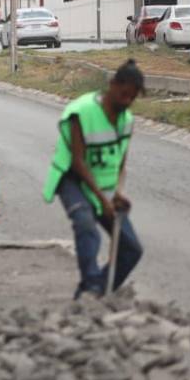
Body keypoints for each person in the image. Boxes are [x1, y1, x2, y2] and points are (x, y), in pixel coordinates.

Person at [43, 59, 144, 299]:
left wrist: (118, 193)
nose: (126, 101)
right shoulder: (83, 111)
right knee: (87, 227)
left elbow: (121, 164)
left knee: (131, 249)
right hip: (73, 180)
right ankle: (91, 286)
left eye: (132, 97)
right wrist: (103, 200)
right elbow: (78, 162)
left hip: (104, 187)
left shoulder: (126, 121)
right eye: (123, 94)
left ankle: (96, 289)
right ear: (112, 85)